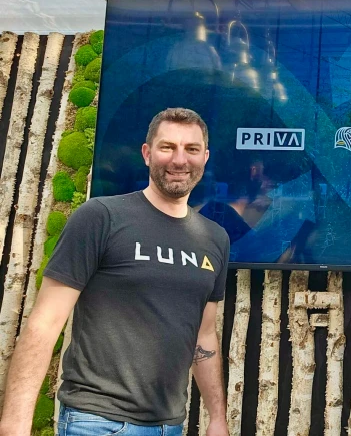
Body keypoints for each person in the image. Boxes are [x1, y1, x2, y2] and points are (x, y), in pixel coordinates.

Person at [0, 108, 230, 436]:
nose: (180, 159)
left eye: (191, 149)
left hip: (170, 426)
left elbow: (204, 335)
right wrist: (15, 423)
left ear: (204, 157)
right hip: (96, 421)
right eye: (167, 147)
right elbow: (45, 322)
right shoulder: (101, 217)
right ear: (147, 153)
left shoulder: (215, 239)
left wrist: (217, 417)